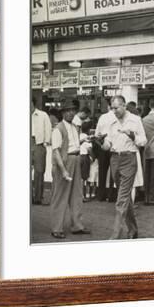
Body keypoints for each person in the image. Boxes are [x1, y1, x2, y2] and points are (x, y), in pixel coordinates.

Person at [99, 96, 147, 240]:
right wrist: (104, 143)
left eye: (116, 108)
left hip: (129, 158)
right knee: (125, 196)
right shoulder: (110, 120)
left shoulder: (135, 120)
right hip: (115, 158)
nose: (113, 111)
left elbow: (143, 141)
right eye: (112, 108)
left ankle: (115, 235)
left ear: (124, 105)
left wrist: (133, 136)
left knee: (121, 199)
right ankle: (133, 229)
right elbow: (108, 141)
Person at [49, 99, 90, 239]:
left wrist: (84, 140)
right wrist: (63, 170)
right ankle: (56, 228)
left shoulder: (74, 127)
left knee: (77, 195)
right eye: (67, 110)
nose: (71, 112)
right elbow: (56, 151)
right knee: (60, 196)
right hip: (64, 162)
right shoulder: (58, 129)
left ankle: (77, 225)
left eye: (73, 110)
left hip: (76, 159)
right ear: (63, 113)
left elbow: (73, 144)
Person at [31, 98, 52, 205]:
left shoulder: (43, 115)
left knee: (39, 171)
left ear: (32, 103)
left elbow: (48, 128)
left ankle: (38, 197)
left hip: (38, 143)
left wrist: (46, 142)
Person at [95, 100, 116, 202]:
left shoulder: (102, 117)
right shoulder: (118, 117)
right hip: (114, 147)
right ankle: (112, 195)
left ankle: (101, 195)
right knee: (113, 173)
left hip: (103, 146)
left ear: (108, 106)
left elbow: (97, 134)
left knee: (102, 172)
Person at [126, 101, 144, 204]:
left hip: (129, 153)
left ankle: (127, 206)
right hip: (133, 153)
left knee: (127, 183)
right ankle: (129, 205)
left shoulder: (135, 122)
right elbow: (142, 141)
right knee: (132, 183)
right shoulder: (137, 121)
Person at [79, 121, 93, 201]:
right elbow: (89, 149)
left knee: (78, 177)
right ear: (88, 130)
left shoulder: (78, 136)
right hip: (84, 157)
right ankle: (82, 196)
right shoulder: (88, 138)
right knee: (83, 178)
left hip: (78, 156)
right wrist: (93, 157)